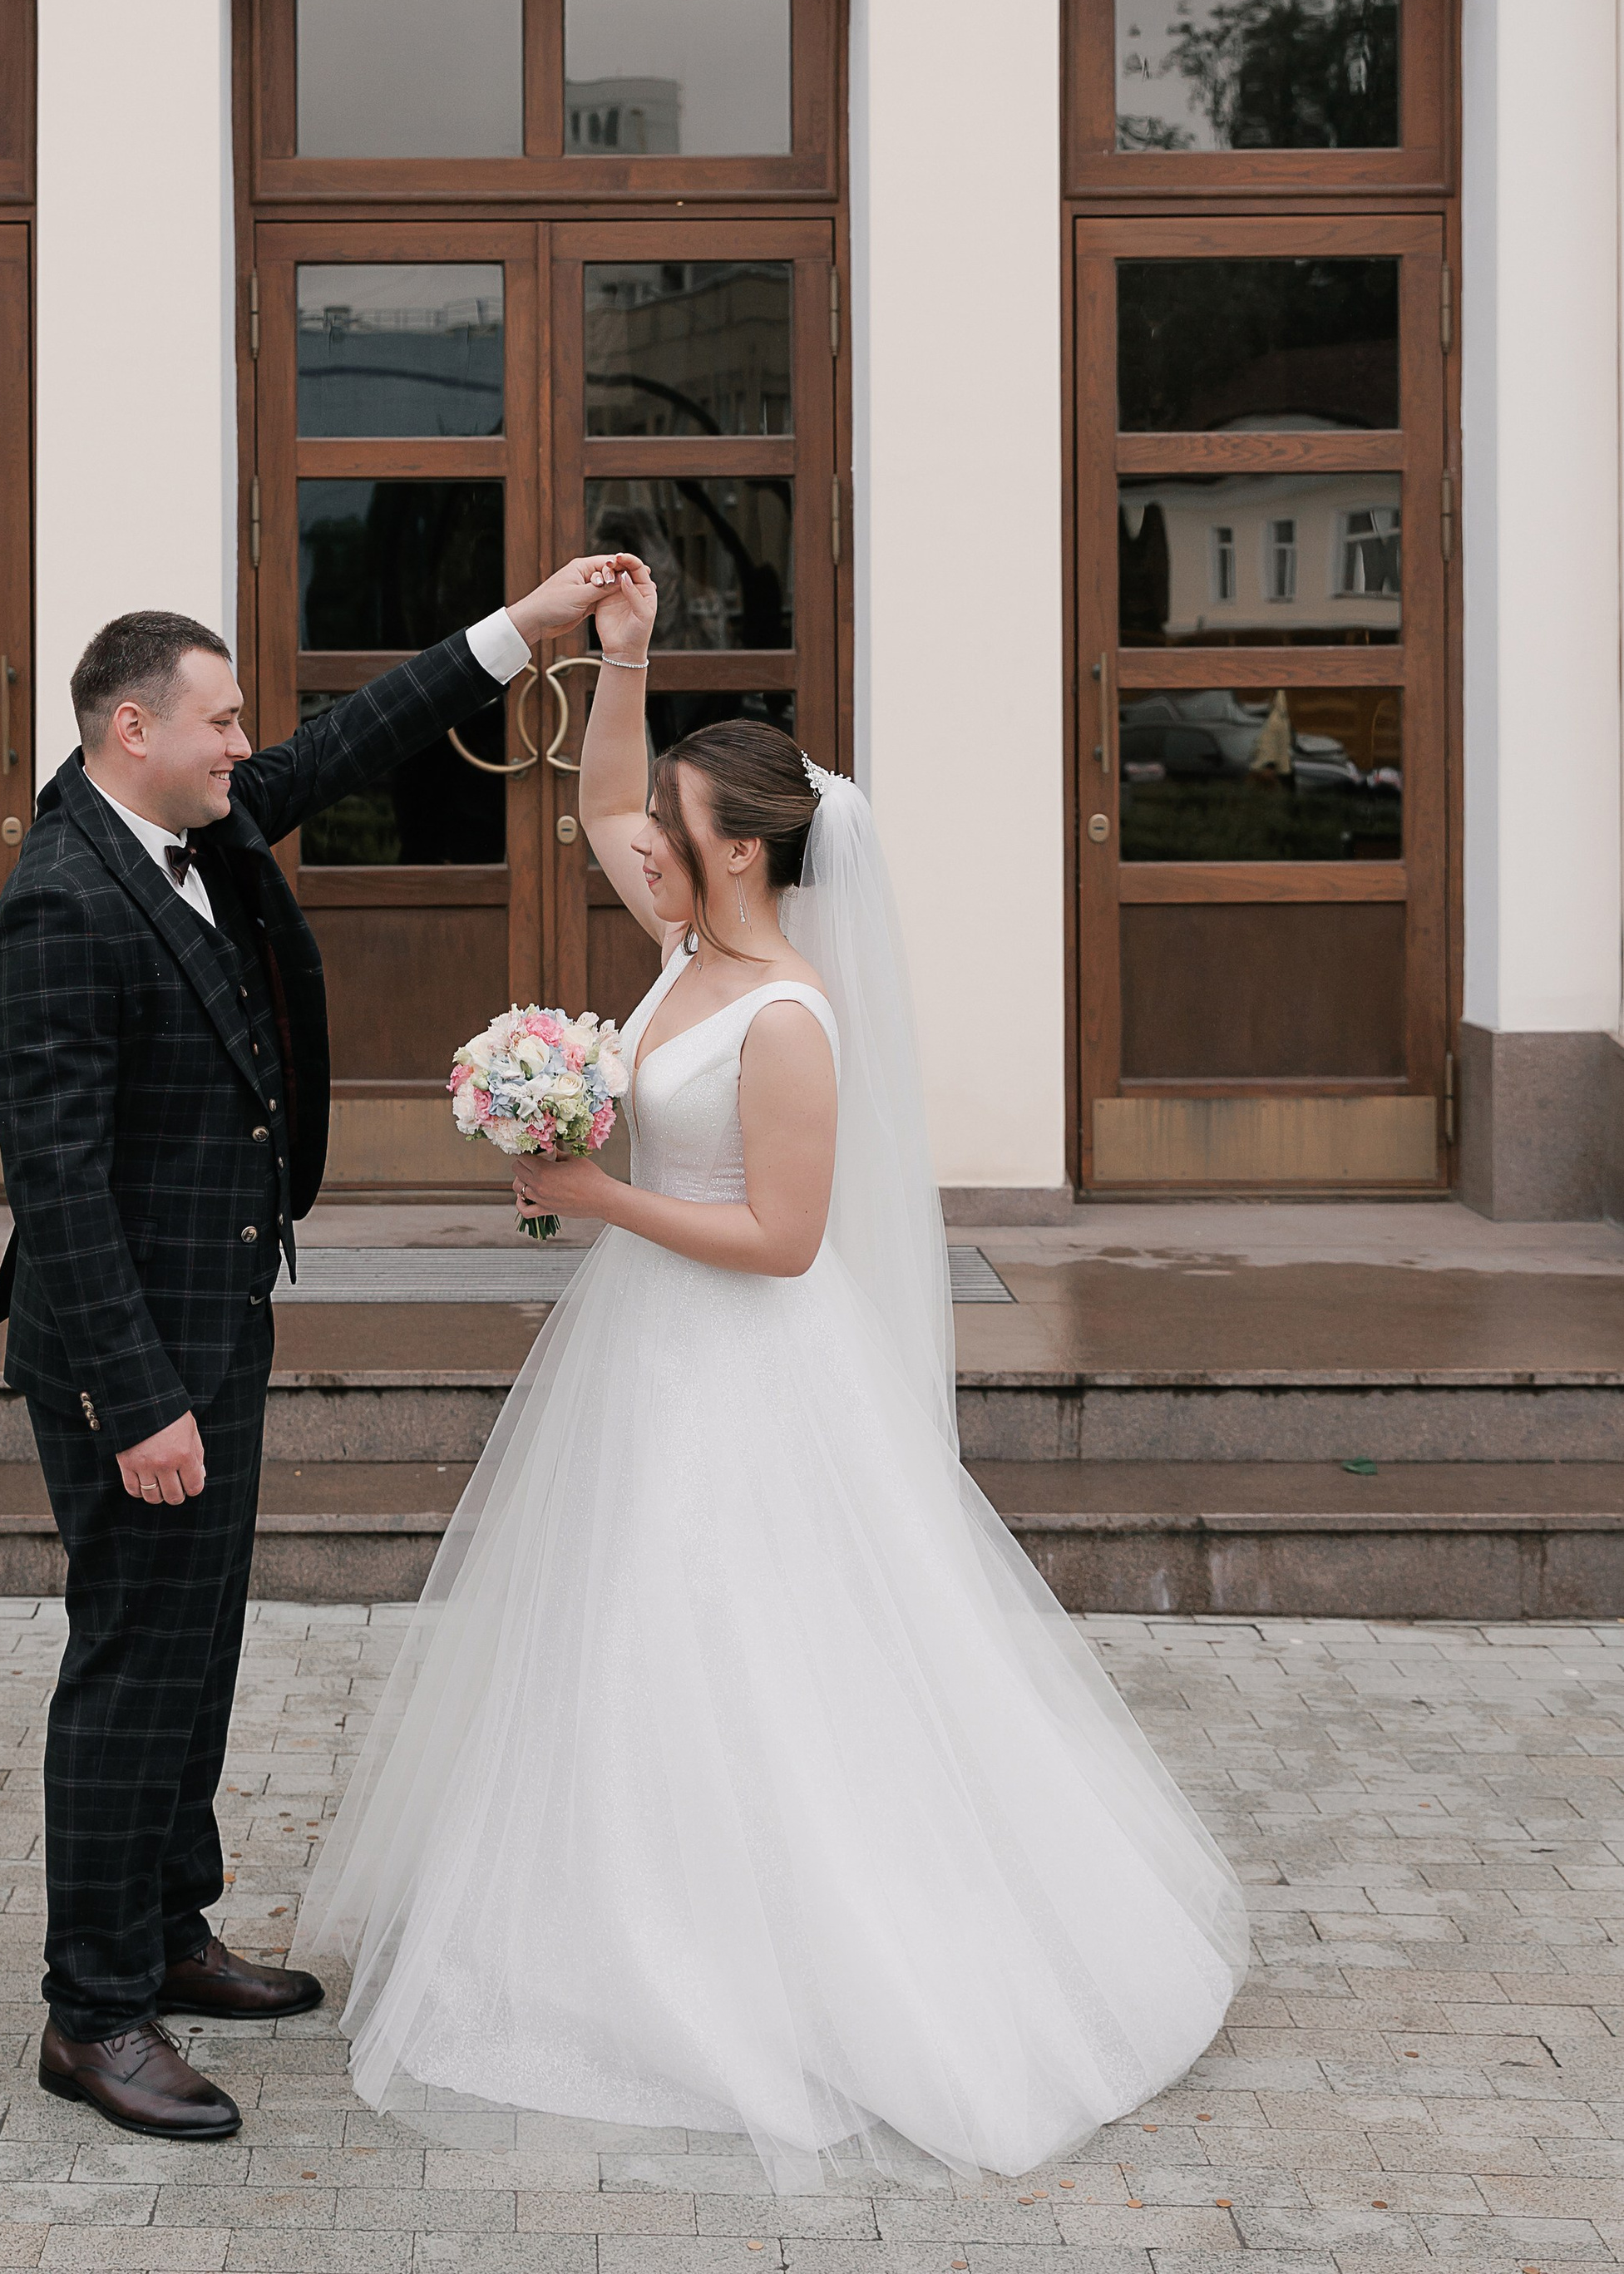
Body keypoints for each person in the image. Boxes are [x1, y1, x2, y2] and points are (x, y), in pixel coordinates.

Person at [296, 557, 1251, 2189]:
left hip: (747, 1365)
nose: (642, 841)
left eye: (674, 825)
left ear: (742, 849)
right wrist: (621, 663)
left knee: (745, 1641)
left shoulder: (788, 1017)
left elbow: (786, 1239)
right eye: (653, 825)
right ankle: (610, 1924)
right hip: (648, 1354)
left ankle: (794, 1955)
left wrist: (590, 1193)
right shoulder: (683, 946)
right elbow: (599, 793)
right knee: (623, 1638)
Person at [0, 559, 626, 2141]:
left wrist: (523, 631)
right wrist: (138, 1401)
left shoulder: (186, 821)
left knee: (197, 1648)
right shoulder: (65, 896)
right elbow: (55, 1186)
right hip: (127, 1355)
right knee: (132, 1665)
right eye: (220, 721)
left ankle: (171, 1928)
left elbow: (344, 747)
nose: (242, 744)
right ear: (132, 728)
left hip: (220, 1314)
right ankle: (93, 2012)